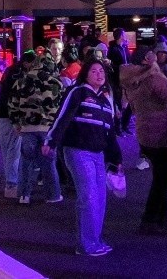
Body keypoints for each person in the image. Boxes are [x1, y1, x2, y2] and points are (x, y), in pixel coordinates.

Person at [44, 60, 120, 257]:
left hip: (98, 154)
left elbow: (110, 132)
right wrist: (51, 140)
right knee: (88, 196)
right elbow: (62, 117)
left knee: (100, 197)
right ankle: (86, 244)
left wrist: (116, 157)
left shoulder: (105, 100)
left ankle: (96, 239)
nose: (98, 74)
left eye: (101, 71)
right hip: (78, 151)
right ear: (85, 74)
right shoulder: (77, 92)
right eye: (94, 71)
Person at [120, 42, 167, 235]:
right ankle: (150, 220)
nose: (157, 56)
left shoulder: (132, 77)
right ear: (146, 59)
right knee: (162, 179)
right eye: (153, 53)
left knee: (160, 176)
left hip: (145, 131)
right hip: (161, 132)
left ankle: (161, 217)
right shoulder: (152, 78)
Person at [9, 50, 63, 205]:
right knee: (49, 163)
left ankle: (24, 195)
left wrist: (16, 123)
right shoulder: (55, 82)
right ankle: (52, 195)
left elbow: (12, 103)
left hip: (27, 128)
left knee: (26, 162)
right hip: (48, 130)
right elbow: (61, 108)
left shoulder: (21, 81)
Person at [0, 49, 24, 199]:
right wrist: (18, 120)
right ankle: (12, 183)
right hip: (9, 115)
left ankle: (10, 182)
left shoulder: (9, 72)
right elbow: (16, 99)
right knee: (14, 150)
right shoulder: (20, 75)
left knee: (7, 150)